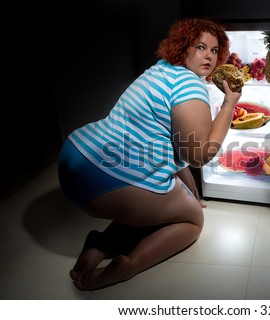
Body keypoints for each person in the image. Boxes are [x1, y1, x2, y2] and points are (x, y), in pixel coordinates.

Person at [57, 17, 241, 291]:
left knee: (158, 202)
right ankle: (129, 265)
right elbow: (199, 155)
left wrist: (194, 195)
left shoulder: (160, 70)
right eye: (200, 47)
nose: (209, 56)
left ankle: (100, 244)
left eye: (214, 51)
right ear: (183, 46)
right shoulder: (190, 86)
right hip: (106, 176)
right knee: (192, 220)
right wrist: (228, 104)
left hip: (75, 156)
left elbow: (176, 150)